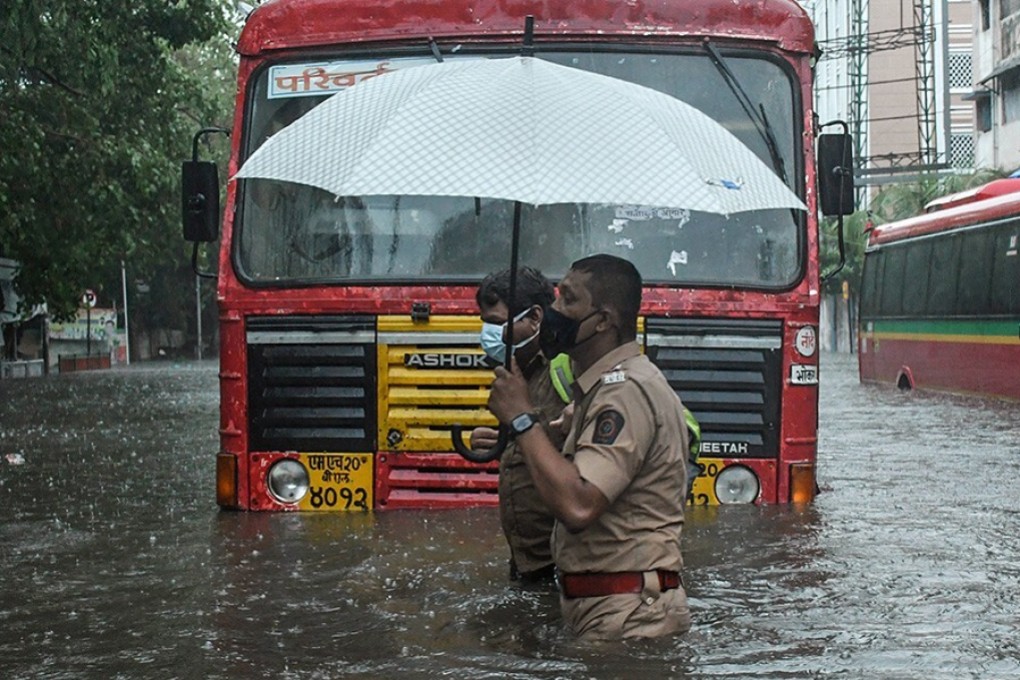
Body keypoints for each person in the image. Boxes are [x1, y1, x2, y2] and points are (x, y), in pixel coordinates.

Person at [487, 254, 691, 639]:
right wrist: (530, 432)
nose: (554, 311)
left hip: (628, 618)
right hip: (610, 609)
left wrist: (522, 418)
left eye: (568, 300)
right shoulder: (601, 389)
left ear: (603, 320)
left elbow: (579, 504)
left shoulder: (625, 392)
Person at [470, 267, 570, 584]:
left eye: (498, 324)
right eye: (485, 324)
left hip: (565, 560)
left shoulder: (567, 367)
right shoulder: (515, 374)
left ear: (535, 317)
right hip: (528, 560)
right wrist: (503, 441)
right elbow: (536, 445)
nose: (490, 334)